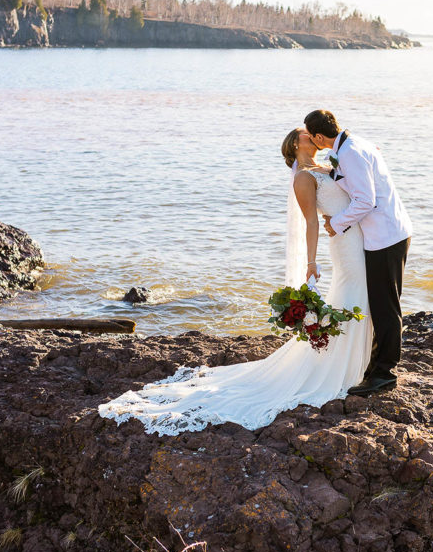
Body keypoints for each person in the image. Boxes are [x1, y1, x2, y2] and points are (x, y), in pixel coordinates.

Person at [97, 128, 373, 434]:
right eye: (307, 134)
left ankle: (354, 363)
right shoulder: (303, 178)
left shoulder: (327, 167)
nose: (314, 137)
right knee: (353, 291)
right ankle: (344, 370)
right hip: (344, 246)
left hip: (356, 237)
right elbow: (311, 221)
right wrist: (310, 262)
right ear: (296, 144)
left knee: (356, 294)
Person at [304, 109, 412, 397]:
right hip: (386, 233)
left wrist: (335, 224)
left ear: (317, 136)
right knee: (381, 305)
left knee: (385, 307)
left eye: (311, 138)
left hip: (386, 236)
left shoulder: (350, 152)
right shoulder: (352, 145)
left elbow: (366, 201)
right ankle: (376, 367)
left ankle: (385, 373)